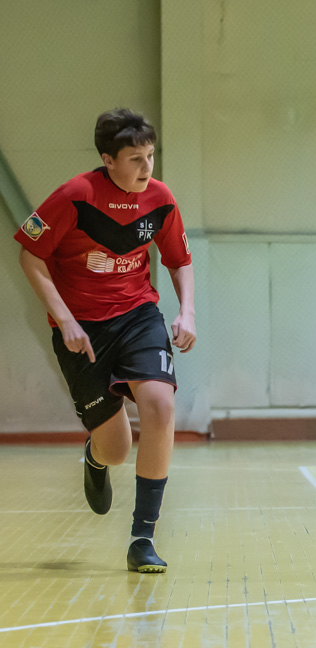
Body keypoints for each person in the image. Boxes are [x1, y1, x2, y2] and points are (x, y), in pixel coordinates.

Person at [14, 108, 195, 573]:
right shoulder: (74, 196)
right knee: (116, 449)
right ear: (107, 159)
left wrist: (187, 311)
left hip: (138, 315)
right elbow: (30, 256)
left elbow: (178, 260)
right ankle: (95, 459)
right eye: (135, 159)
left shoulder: (161, 198)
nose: (147, 167)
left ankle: (142, 537)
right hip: (83, 330)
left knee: (161, 406)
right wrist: (65, 320)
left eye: (151, 156)